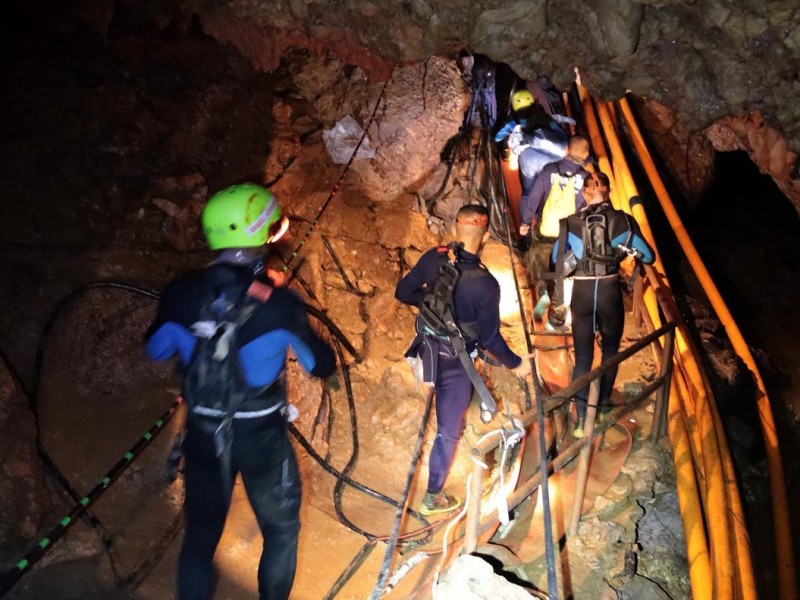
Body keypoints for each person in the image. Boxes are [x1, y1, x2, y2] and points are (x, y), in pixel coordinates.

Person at [145, 183, 336, 600]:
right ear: (262, 232)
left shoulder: (181, 292)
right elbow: (320, 365)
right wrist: (285, 310)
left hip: (203, 433)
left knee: (199, 537)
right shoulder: (279, 303)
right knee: (281, 531)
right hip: (261, 438)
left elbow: (156, 350)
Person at [395, 204, 531, 516]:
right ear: (484, 233)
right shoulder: (486, 284)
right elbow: (490, 339)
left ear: (457, 227)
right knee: (448, 431)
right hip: (455, 365)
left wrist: (430, 303)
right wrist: (516, 364)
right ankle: (432, 498)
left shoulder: (434, 257)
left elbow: (403, 292)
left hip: (425, 350)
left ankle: (434, 490)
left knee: (446, 413)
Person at [549, 172, 654, 438]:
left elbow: (556, 259)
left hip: (582, 294)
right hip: (609, 293)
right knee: (610, 352)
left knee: (583, 357)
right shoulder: (623, 221)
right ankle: (604, 406)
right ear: (608, 191)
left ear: (584, 193)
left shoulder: (569, 223)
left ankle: (581, 420)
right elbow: (649, 255)